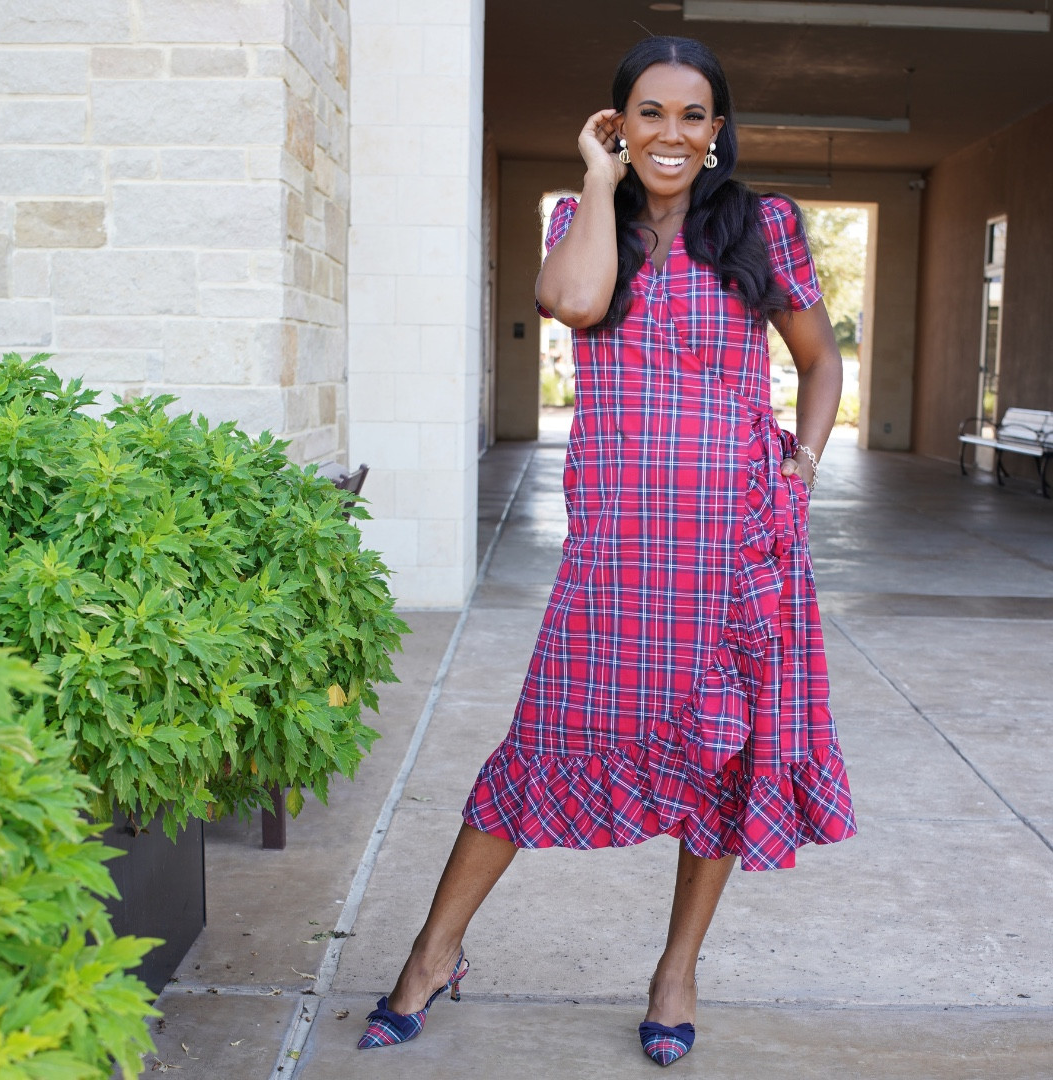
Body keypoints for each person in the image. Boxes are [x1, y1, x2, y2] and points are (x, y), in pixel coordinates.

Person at [358, 35, 856, 1067]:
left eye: (692, 115)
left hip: (735, 548)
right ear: (617, 123)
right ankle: (431, 955)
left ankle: (675, 974)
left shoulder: (761, 226)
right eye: (649, 113)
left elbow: (817, 361)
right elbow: (573, 304)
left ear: (717, 131)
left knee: (719, 766)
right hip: (619, 548)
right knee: (541, 740)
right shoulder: (582, 218)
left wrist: (799, 471)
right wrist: (596, 180)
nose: (671, 133)